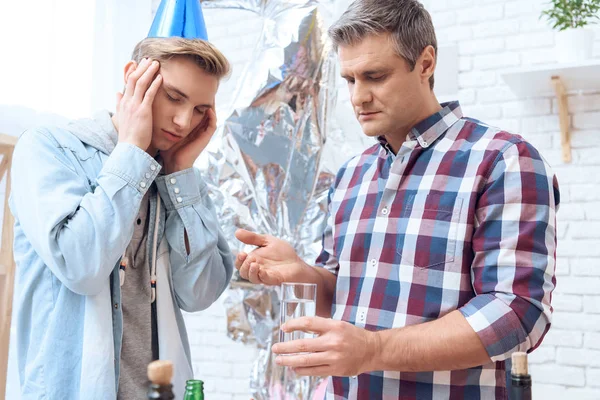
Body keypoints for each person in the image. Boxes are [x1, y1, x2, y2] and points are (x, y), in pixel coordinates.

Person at [234, 0, 560, 398]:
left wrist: (373, 350)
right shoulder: (351, 174)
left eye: (375, 76)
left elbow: (517, 314)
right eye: (350, 79)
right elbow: (344, 292)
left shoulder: (503, 160)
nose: (358, 97)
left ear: (425, 64)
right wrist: (301, 272)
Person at [9, 7, 233, 400]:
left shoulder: (177, 180)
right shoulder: (47, 150)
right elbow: (81, 267)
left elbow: (199, 295)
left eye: (199, 109)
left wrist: (180, 174)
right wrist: (131, 149)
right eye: (174, 97)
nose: (183, 122)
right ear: (135, 79)